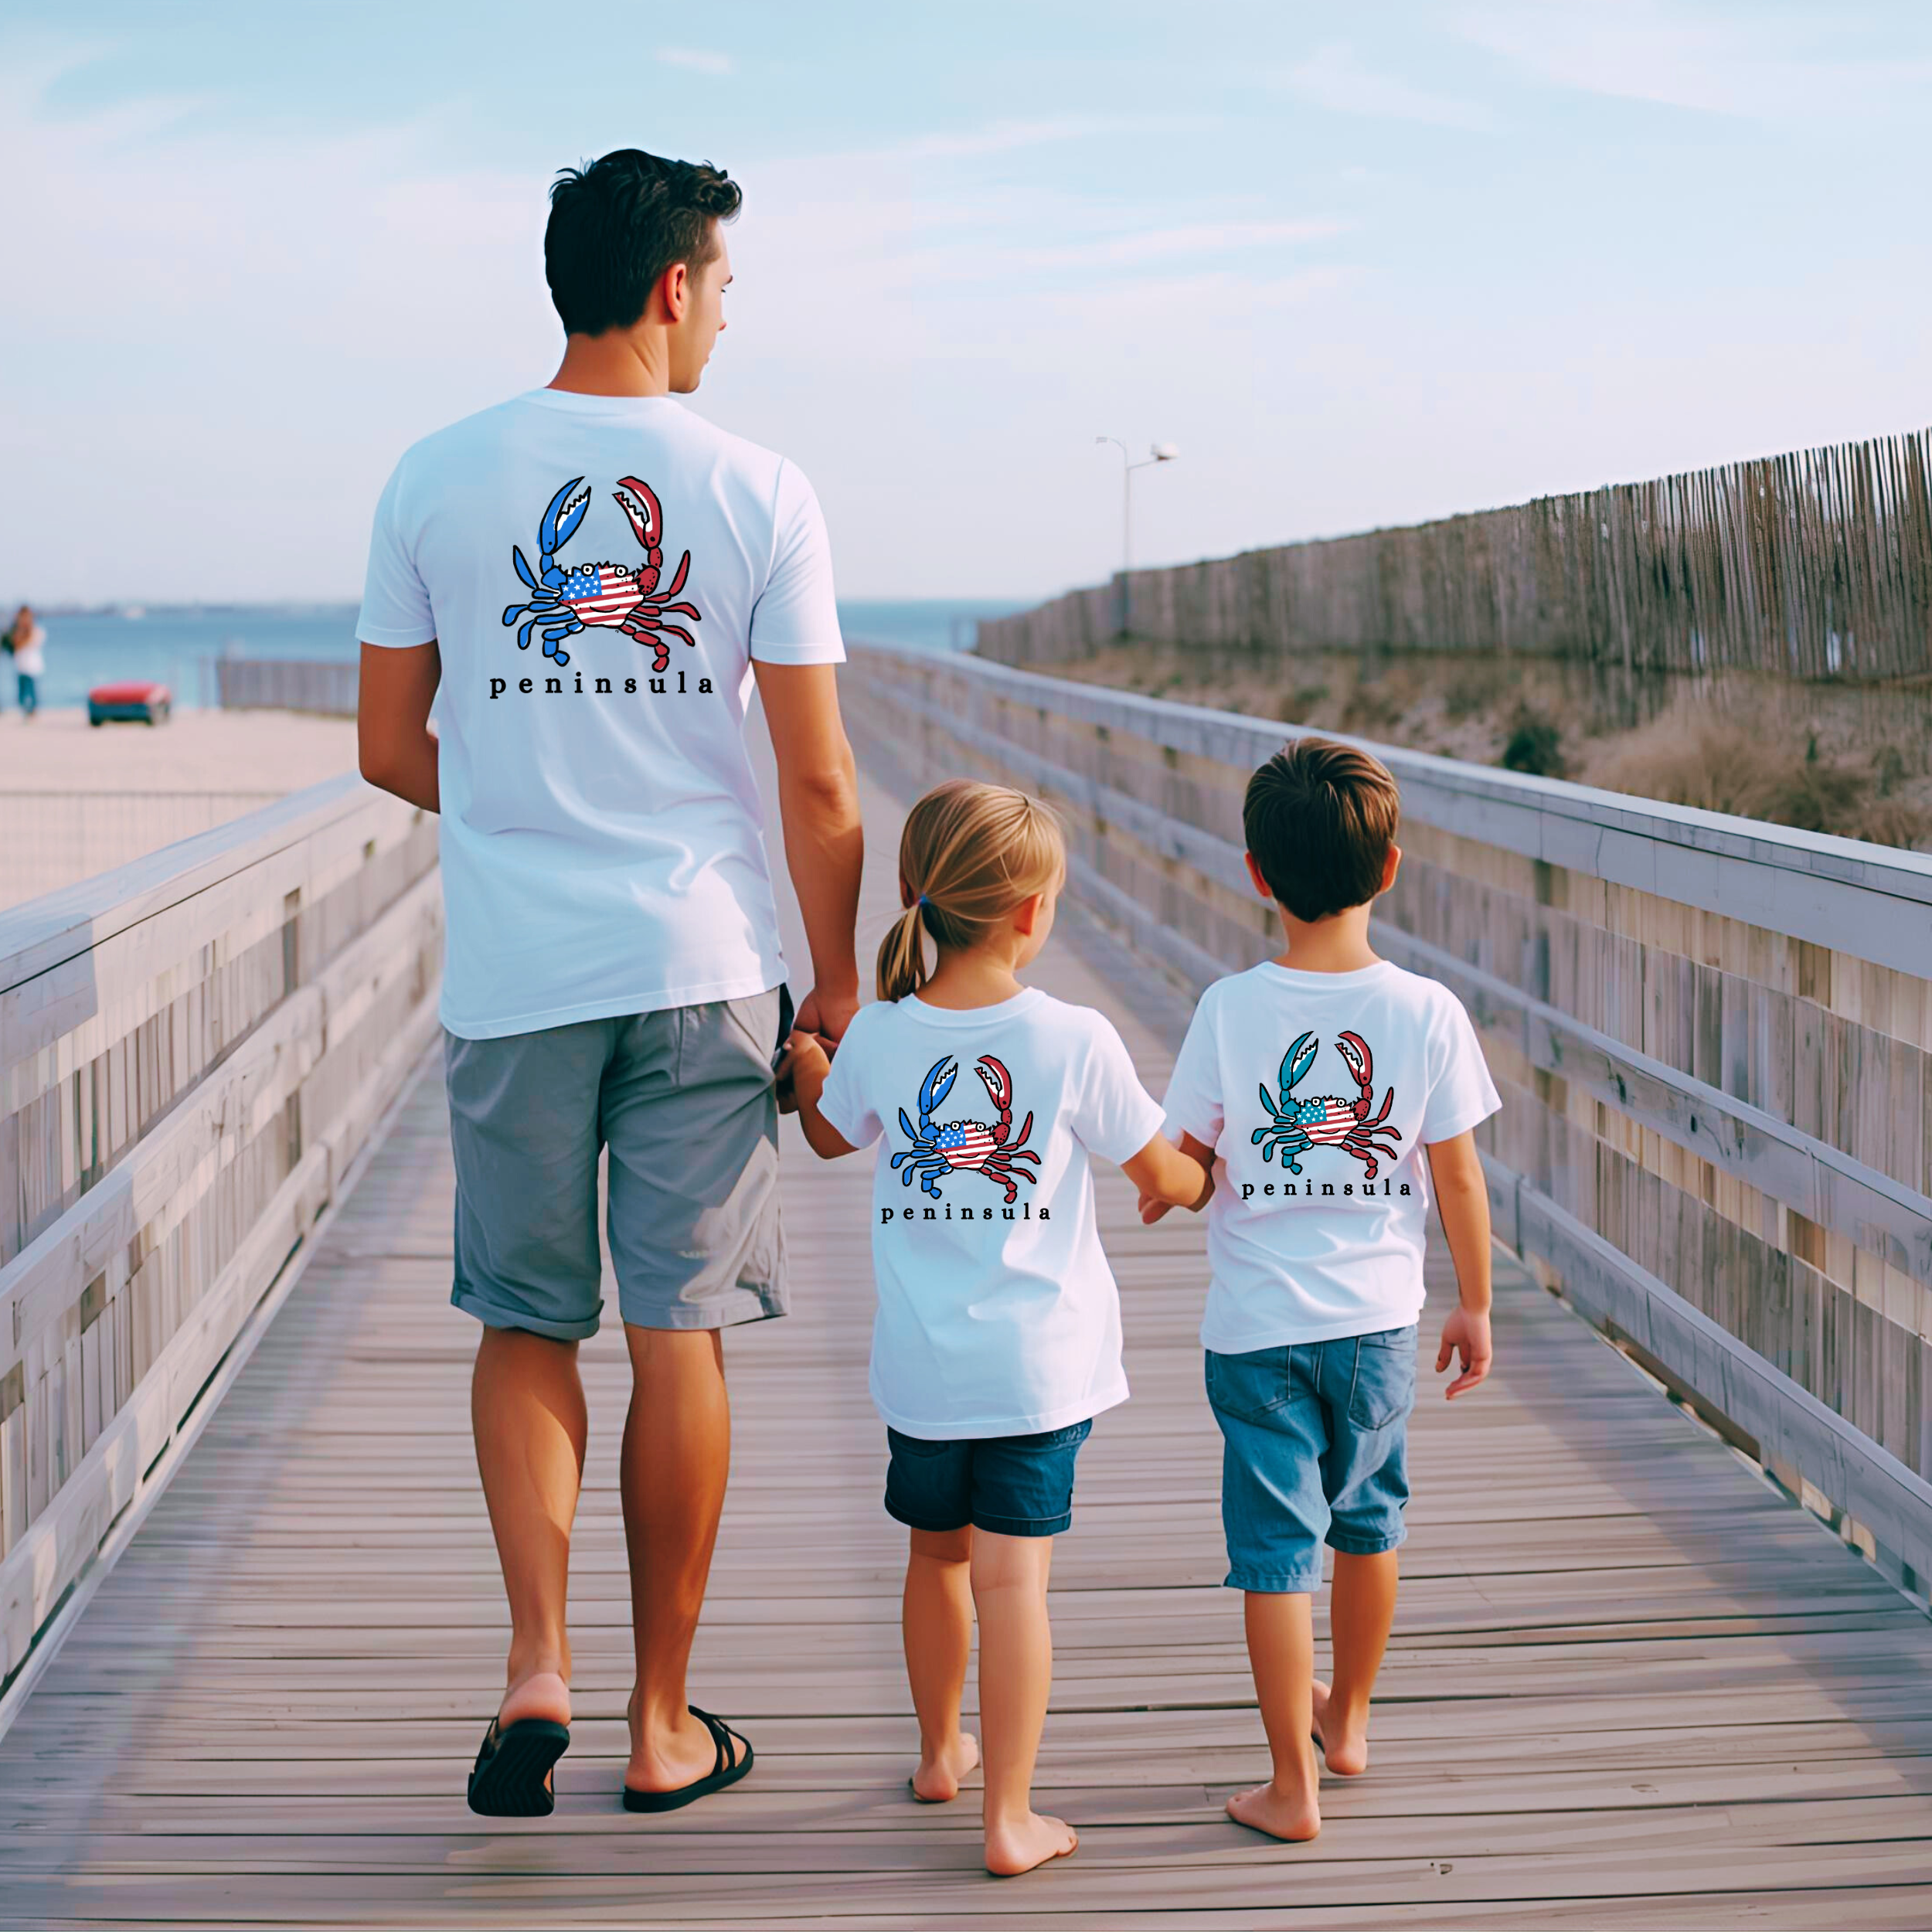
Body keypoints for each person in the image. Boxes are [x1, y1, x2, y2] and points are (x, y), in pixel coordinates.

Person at [354, 148, 863, 1819]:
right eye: (722, 282)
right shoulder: (759, 488)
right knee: (680, 1331)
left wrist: (517, 799)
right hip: (701, 963)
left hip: (515, 969)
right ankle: (658, 1718)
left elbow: (384, 745)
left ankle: (534, 1663)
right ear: (671, 287)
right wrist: (837, 984)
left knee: (521, 1318)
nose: (722, 311)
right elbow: (818, 790)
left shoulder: (432, 474)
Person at [784, 780, 1212, 1876]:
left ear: (915, 894)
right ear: (1032, 913)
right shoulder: (1073, 1036)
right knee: (1013, 1585)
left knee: (935, 1562)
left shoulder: (881, 1031)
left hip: (922, 1372)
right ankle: (1009, 1816)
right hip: (1035, 1376)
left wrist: (812, 1067)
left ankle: (939, 1754)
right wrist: (1200, 1179)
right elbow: (1159, 1169)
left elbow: (832, 1138)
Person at [1142, 737, 1501, 1844]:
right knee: (1369, 1527)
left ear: (1256, 873)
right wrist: (1475, 1304)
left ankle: (1288, 1788)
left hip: (1256, 1333)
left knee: (1274, 1554)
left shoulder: (1229, 1010)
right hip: (1380, 1327)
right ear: (1391, 868)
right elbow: (1455, 1171)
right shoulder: (1428, 1012)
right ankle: (1345, 1724)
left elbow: (1194, 1163)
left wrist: (1176, 1186)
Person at [6, 606, 46, 717]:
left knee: (31, 692)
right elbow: (14, 645)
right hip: (20, 667)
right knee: (21, 694)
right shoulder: (16, 631)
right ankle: (26, 711)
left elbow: (26, 643)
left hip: (32, 667)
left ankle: (31, 712)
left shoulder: (36, 631)